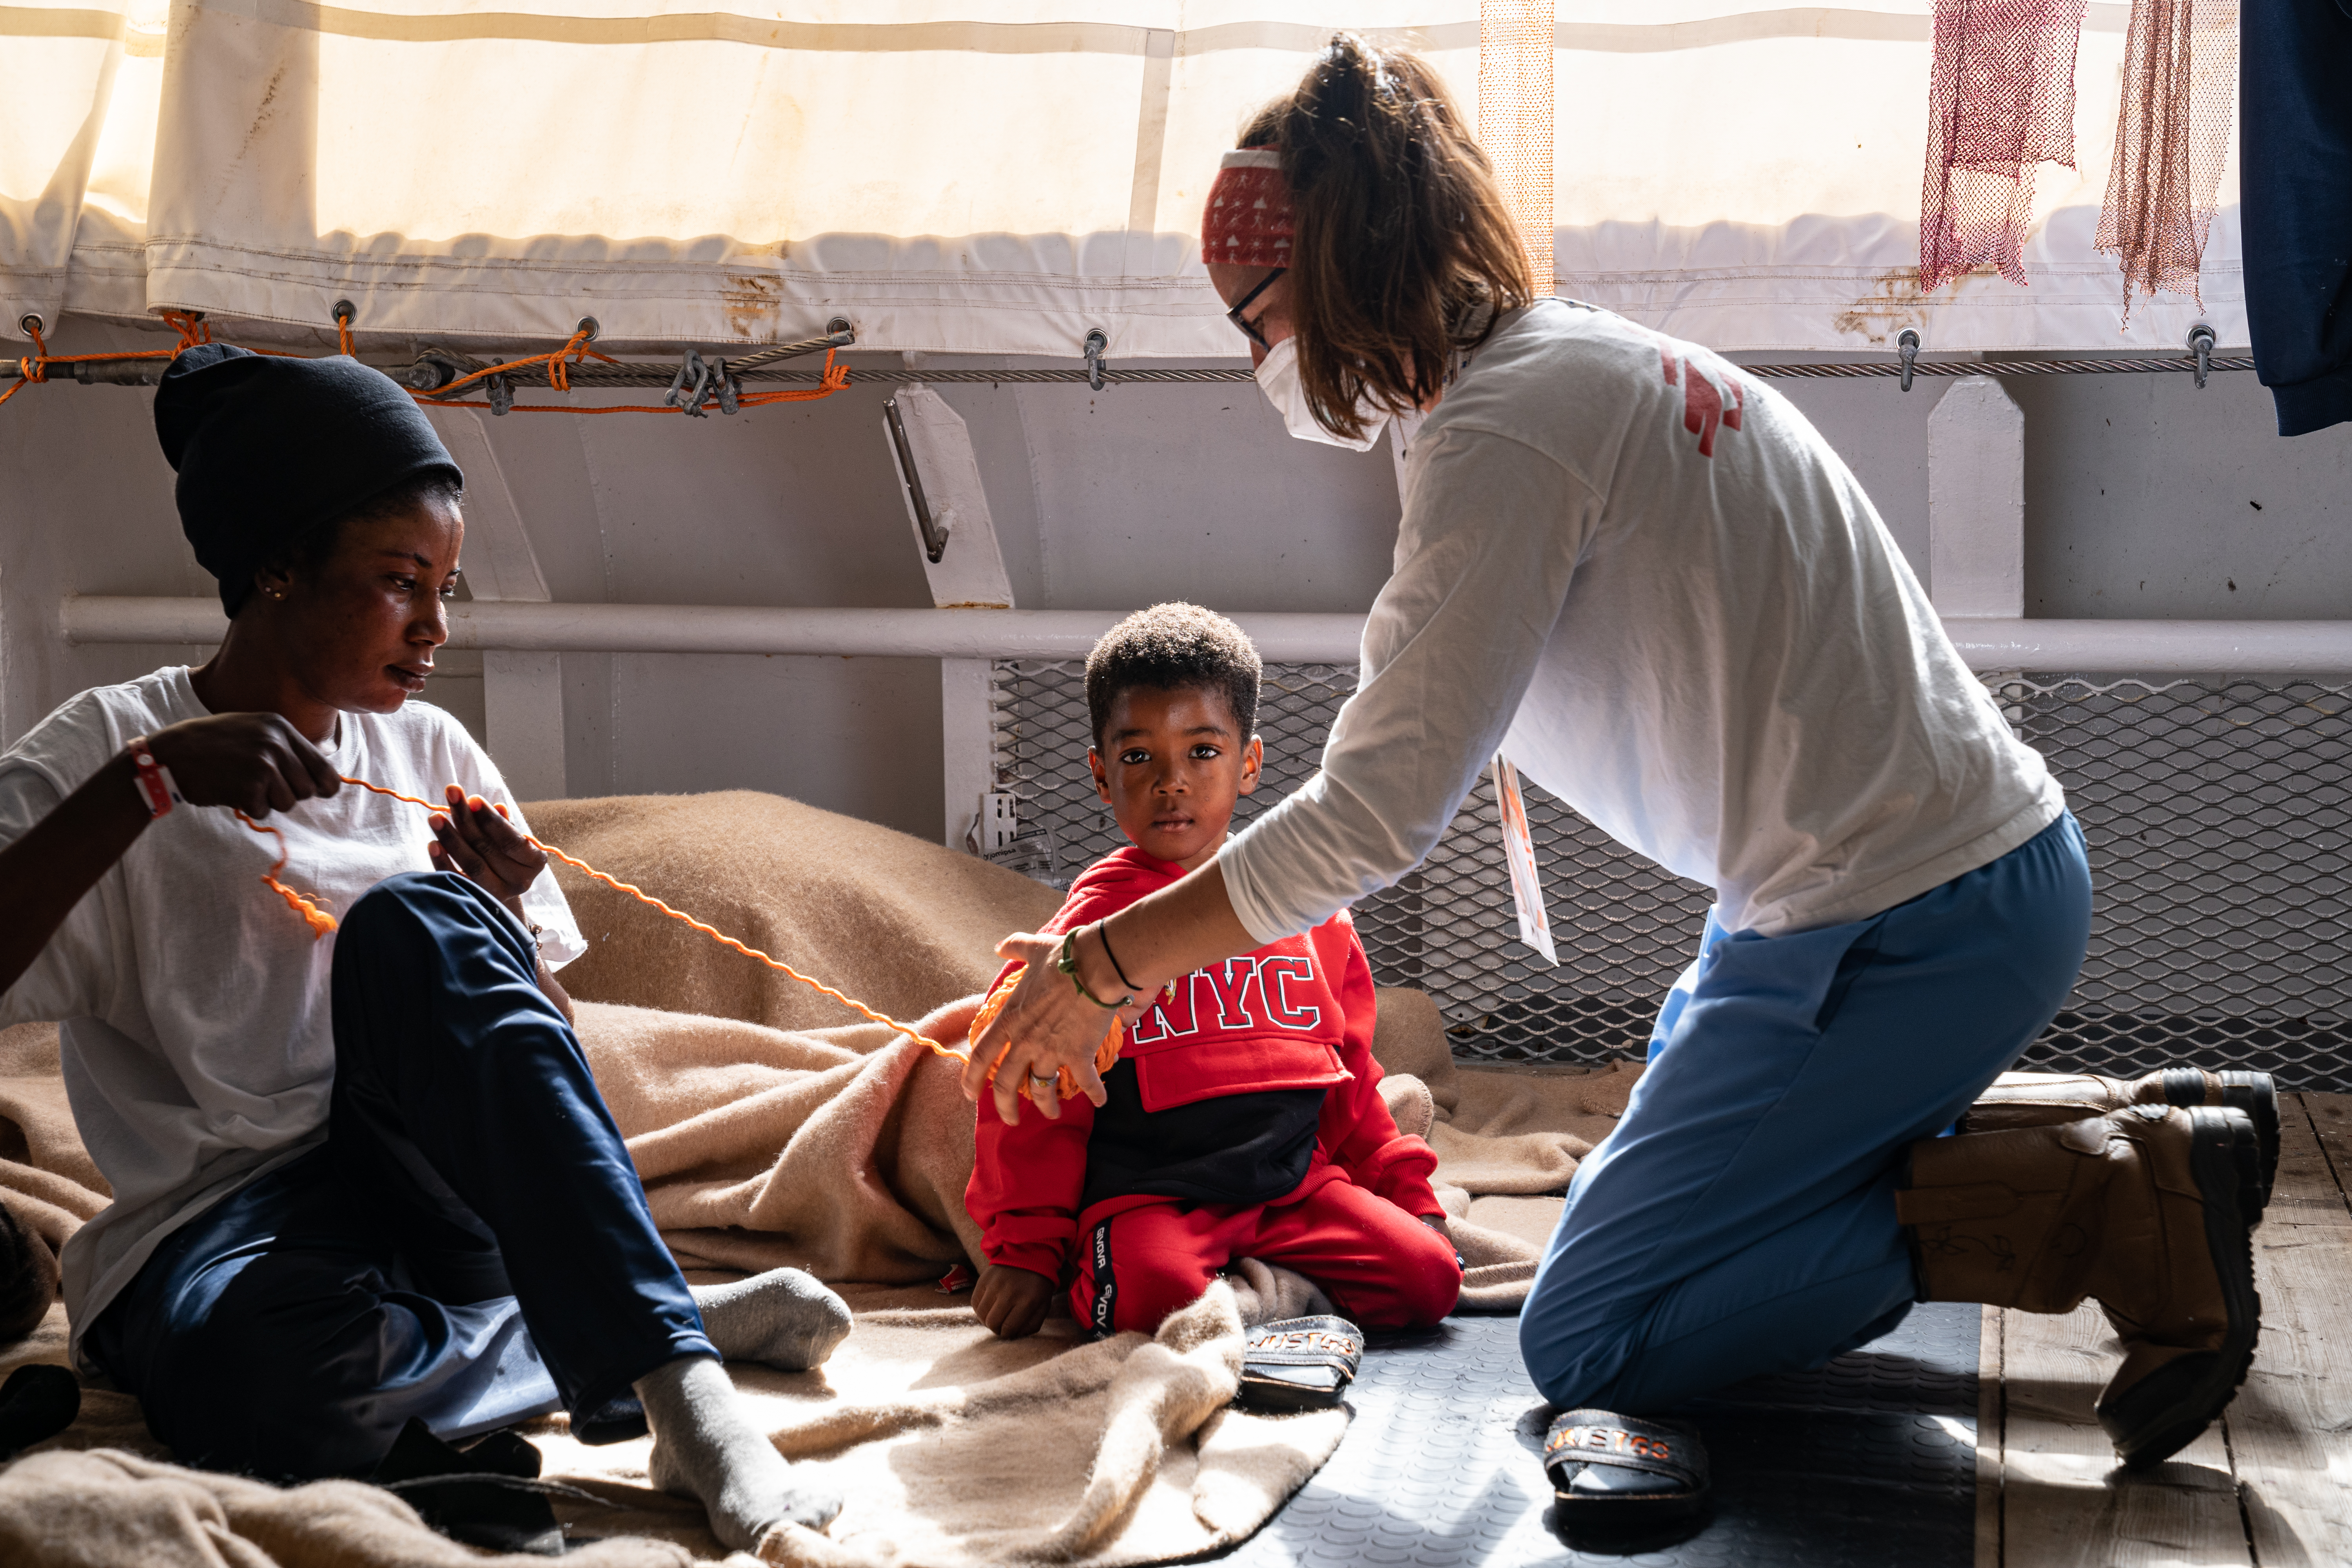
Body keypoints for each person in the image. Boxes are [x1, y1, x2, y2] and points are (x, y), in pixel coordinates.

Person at [965, 33, 2262, 1484]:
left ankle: (2110, 1203)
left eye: (1253, 318)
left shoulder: (1507, 435)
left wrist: (1110, 966)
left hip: (1902, 919)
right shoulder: (1561, 370)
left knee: (1596, 1332)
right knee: (1659, 1197)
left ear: (1329, 281)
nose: (1257, 357)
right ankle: (2165, 1135)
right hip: (1924, 884)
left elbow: (1378, 809)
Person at [0, 344, 847, 1550]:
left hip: (439, 1206)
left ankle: (686, 1399)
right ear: (279, 567)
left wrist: (501, 925)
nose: (437, 628)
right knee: (258, 1392)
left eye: (447, 588)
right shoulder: (110, 749)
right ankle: (636, 1322)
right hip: (230, 1236)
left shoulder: (434, 753)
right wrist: (145, 787)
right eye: (403, 583)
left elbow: (545, 1073)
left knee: (414, 922)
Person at [965, 604, 1460, 1343]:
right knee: (1152, 1301)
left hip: (1292, 1185)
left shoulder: (1315, 915)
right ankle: (1228, 1292)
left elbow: (1350, 1079)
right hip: (1150, 1196)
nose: (1172, 782)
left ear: (1250, 764)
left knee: (1428, 1277)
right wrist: (1025, 1252)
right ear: (1101, 776)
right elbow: (1036, 1099)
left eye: (1203, 751)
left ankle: (1258, 1291)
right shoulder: (1083, 938)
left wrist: (1403, 1191)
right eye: (1139, 758)